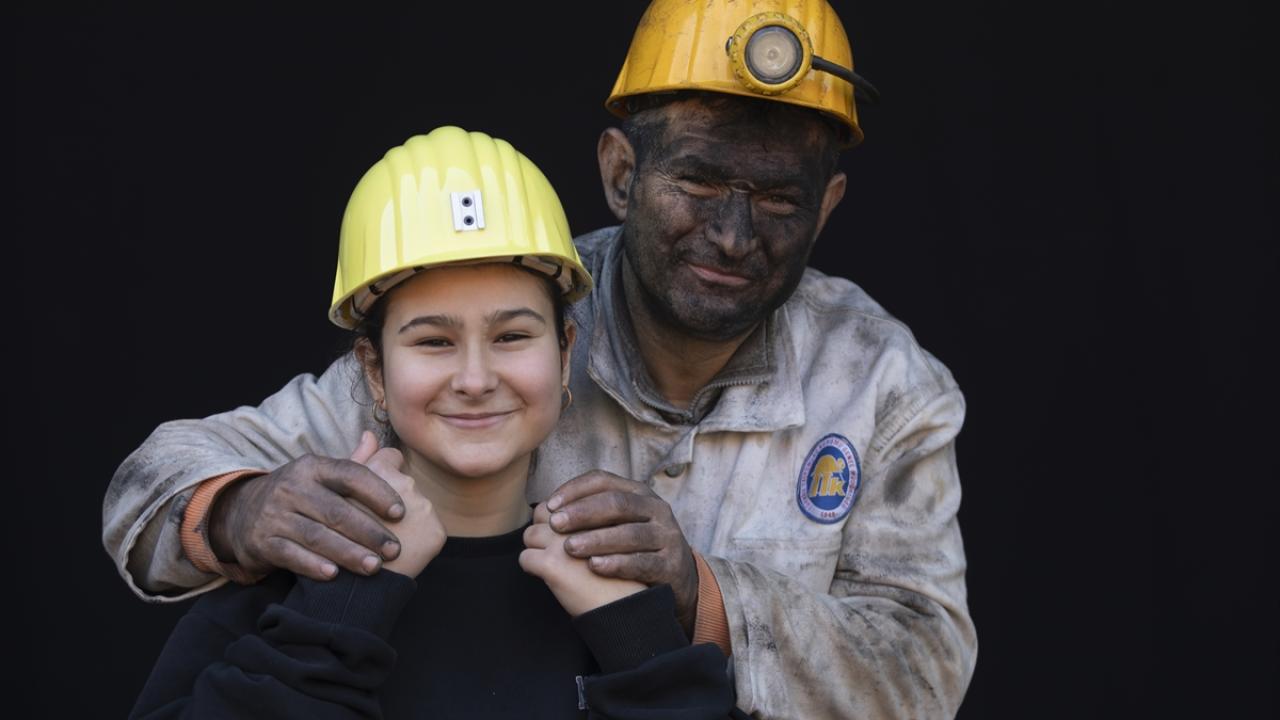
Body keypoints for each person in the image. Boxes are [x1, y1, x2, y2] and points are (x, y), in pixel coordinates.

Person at [106, 2, 976, 717]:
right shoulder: (516, 295)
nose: (732, 235)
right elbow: (153, 483)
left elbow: (926, 672)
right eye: (700, 184)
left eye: (780, 200)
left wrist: (694, 593)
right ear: (621, 173)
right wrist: (239, 509)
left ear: (827, 208)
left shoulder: (884, 386)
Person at [129, 126, 738, 719]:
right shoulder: (284, 602)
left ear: (563, 355)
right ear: (374, 372)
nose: (474, 379)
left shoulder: (620, 598)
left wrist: (641, 647)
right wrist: (334, 617)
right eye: (433, 341)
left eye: (512, 335)